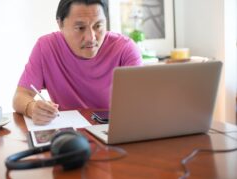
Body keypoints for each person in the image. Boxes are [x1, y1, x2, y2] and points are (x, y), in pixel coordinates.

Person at [13, 0, 142, 125]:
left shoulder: (125, 49)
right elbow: (21, 95)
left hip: (112, 129)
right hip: (68, 134)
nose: (91, 38)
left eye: (98, 26)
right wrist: (32, 107)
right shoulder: (46, 47)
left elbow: (141, 103)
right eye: (80, 28)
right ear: (60, 24)